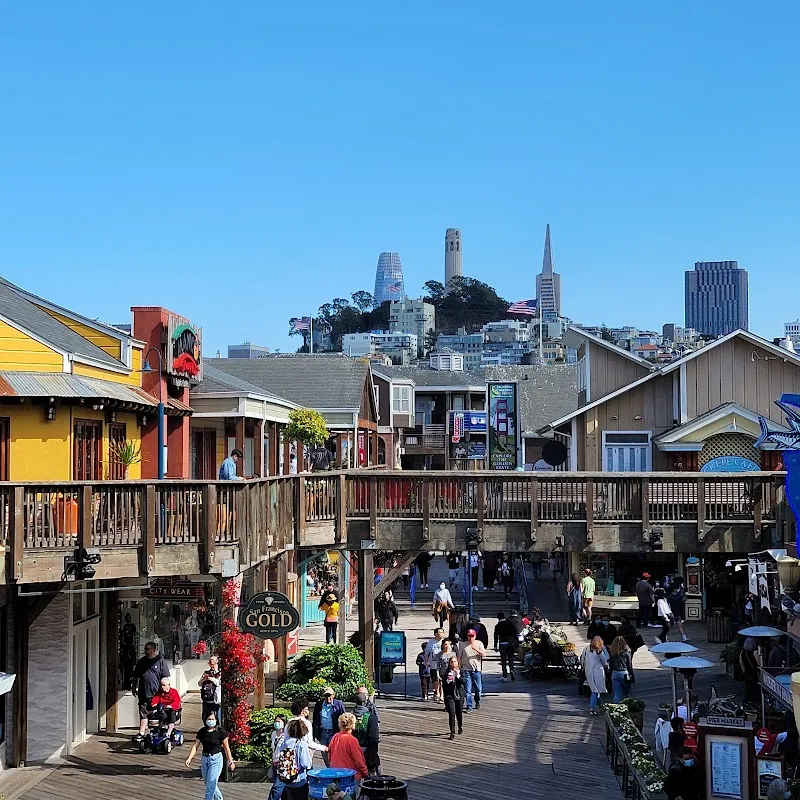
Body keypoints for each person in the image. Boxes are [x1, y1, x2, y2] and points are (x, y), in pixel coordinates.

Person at [185, 709, 236, 800]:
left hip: (216, 759)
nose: (211, 721)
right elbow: (195, 746)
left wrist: (230, 761)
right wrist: (189, 758)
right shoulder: (202, 731)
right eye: (209, 719)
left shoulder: (220, 732)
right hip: (205, 759)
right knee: (209, 784)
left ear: (216, 720)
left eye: (213, 719)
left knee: (210, 785)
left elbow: (226, 748)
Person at [132, 641, 170, 740]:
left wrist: (166, 690)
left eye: (148, 649)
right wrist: (133, 687)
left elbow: (165, 677)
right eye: (145, 649)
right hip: (143, 693)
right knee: (143, 713)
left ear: (154, 649)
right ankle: (141, 732)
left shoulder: (160, 661)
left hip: (156, 694)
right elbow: (136, 676)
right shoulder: (141, 661)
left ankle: (158, 732)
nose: (146, 651)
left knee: (157, 713)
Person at [272, 718, 313, 800]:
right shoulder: (301, 744)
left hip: (286, 780)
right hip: (299, 780)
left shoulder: (285, 743)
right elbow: (306, 764)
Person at [327, 712, 369, 780]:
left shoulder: (335, 737)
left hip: (335, 774)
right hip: (350, 776)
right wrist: (365, 773)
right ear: (352, 725)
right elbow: (359, 760)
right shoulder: (352, 740)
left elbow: (330, 756)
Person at [312, 687, 345, 762]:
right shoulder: (319, 705)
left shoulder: (339, 704)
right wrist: (315, 734)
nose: (328, 698)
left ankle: (334, 768)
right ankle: (329, 768)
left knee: (335, 752)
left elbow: (344, 718)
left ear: (333, 695)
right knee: (324, 753)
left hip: (334, 732)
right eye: (326, 696)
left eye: (329, 695)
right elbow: (315, 720)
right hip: (323, 732)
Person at [457, 629, 486, 713]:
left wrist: (476, 649)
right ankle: (469, 706)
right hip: (466, 669)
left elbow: (484, 654)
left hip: (476, 669)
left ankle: (477, 700)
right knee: (468, 689)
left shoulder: (479, 643)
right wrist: (459, 666)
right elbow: (459, 656)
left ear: (475, 636)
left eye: (472, 636)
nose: (470, 638)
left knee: (478, 689)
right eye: (469, 636)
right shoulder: (462, 644)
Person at [353, 689, 380, 776]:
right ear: (365, 703)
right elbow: (374, 737)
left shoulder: (349, 716)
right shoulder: (371, 717)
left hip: (352, 751)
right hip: (367, 751)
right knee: (373, 774)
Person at [442, 655, 464, 740]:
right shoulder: (447, 671)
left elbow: (464, 682)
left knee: (459, 712)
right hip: (450, 695)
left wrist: (458, 676)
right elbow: (444, 683)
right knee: (452, 713)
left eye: (455, 661)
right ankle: (452, 732)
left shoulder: (461, 670)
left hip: (459, 694)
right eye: (452, 662)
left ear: (458, 662)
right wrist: (448, 680)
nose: (453, 663)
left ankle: (460, 726)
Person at [585, 635, 608, 715]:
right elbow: (604, 662)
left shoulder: (587, 649)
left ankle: (601, 705)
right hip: (597, 672)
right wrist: (607, 666)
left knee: (595, 689)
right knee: (595, 690)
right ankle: (592, 708)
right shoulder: (599, 651)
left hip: (588, 671)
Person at [494, 612, 519, 682]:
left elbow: (496, 636)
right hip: (510, 644)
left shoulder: (497, 626)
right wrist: (516, 643)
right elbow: (515, 633)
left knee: (503, 660)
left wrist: (495, 645)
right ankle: (511, 670)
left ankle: (505, 676)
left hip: (502, 644)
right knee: (511, 659)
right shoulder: (510, 624)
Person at [268, 715, 288, 800]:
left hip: (283, 765)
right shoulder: (273, 734)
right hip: (275, 764)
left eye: (279, 722)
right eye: (276, 721)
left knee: (276, 788)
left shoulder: (286, 736)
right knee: (283, 790)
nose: (276, 724)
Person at [609, 636, 634, 703]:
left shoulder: (612, 653)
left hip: (614, 673)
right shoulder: (627, 652)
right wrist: (632, 675)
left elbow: (610, 664)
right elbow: (629, 665)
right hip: (624, 673)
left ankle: (616, 709)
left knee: (617, 694)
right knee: (626, 693)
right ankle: (626, 707)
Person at [425, 628, 446, 702]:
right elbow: (427, 653)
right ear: (436, 634)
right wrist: (427, 662)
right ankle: (436, 693)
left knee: (442, 680)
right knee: (435, 680)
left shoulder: (445, 641)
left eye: (442, 632)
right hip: (433, 664)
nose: (441, 634)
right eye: (440, 632)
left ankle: (442, 695)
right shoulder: (431, 641)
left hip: (442, 664)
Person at [199, 655, 222, 723]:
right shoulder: (206, 673)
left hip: (215, 700)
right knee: (205, 716)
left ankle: (217, 730)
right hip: (206, 700)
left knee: (217, 717)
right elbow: (199, 684)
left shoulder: (219, 673)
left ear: (216, 663)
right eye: (210, 664)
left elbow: (219, 683)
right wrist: (204, 679)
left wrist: (211, 679)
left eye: (212, 664)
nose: (211, 666)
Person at [667, 578, 689, 643]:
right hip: (672, 612)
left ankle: (684, 638)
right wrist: (669, 613)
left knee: (680, 625)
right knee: (669, 627)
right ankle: (665, 637)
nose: (678, 590)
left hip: (677, 612)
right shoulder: (670, 597)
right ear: (674, 589)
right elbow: (668, 605)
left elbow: (682, 601)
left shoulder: (679, 595)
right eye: (677, 588)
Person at [741, 637, 761, 707]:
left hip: (747, 674)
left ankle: (746, 705)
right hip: (754, 675)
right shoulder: (754, 653)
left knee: (748, 691)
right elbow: (758, 664)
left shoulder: (743, 653)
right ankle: (755, 704)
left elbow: (742, 664)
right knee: (755, 691)